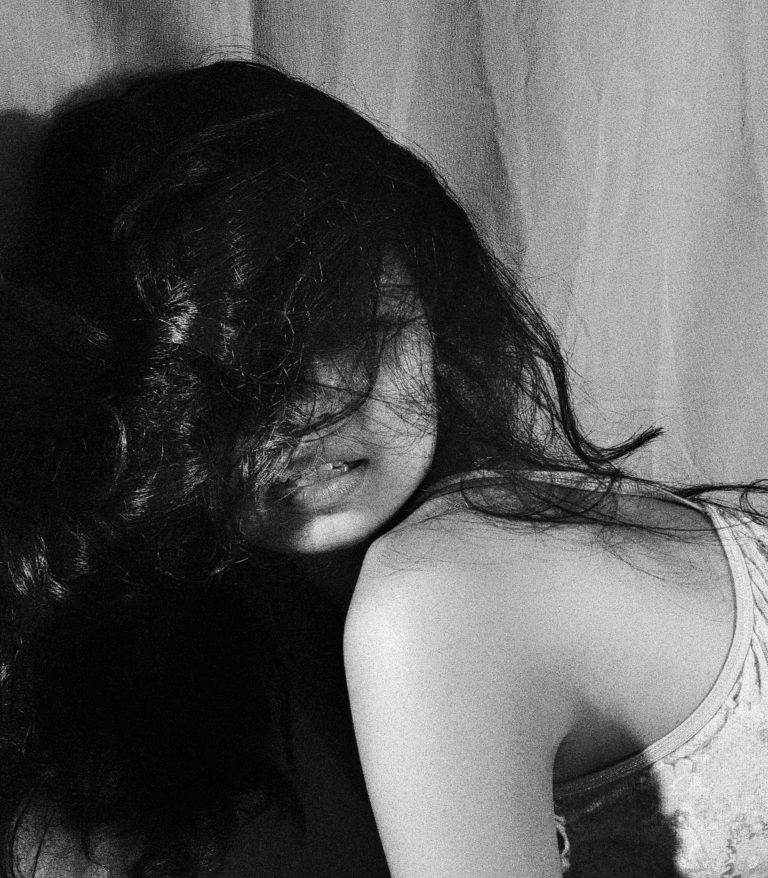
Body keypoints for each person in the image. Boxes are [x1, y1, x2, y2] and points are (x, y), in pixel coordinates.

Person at [1, 59, 766, 878]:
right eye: (232, 376)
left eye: (345, 327)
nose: (305, 411)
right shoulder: (462, 561)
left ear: (425, 293)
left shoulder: (435, 599)